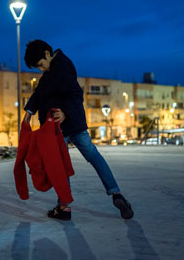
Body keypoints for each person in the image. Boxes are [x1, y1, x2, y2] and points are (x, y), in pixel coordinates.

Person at [23, 39, 134, 220]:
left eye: (40, 65)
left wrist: (66, 113)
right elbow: (39, 93)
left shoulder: (62, 68)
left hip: (64, 126)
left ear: (47, 54)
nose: (40, 69)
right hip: (72, 125)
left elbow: (75, 93)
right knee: (93, 156)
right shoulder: (52, 70)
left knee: (61, 166)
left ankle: (64, 207)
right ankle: (116, 193)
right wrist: (29, 111)